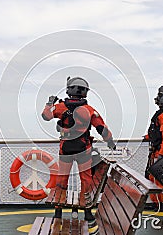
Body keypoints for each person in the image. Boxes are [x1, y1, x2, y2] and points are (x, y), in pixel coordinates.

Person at [41, 76, 116, 230]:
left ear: (69, 90)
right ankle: (88, 213)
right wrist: (110, 142)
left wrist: (50, 103)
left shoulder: (60, 107)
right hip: (84, 150)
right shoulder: (89, 110)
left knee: (61, 181)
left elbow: (46, 116)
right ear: (85, 92)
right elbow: (101, 128)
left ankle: (58, 213)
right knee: (86, 181)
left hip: (65, 150)